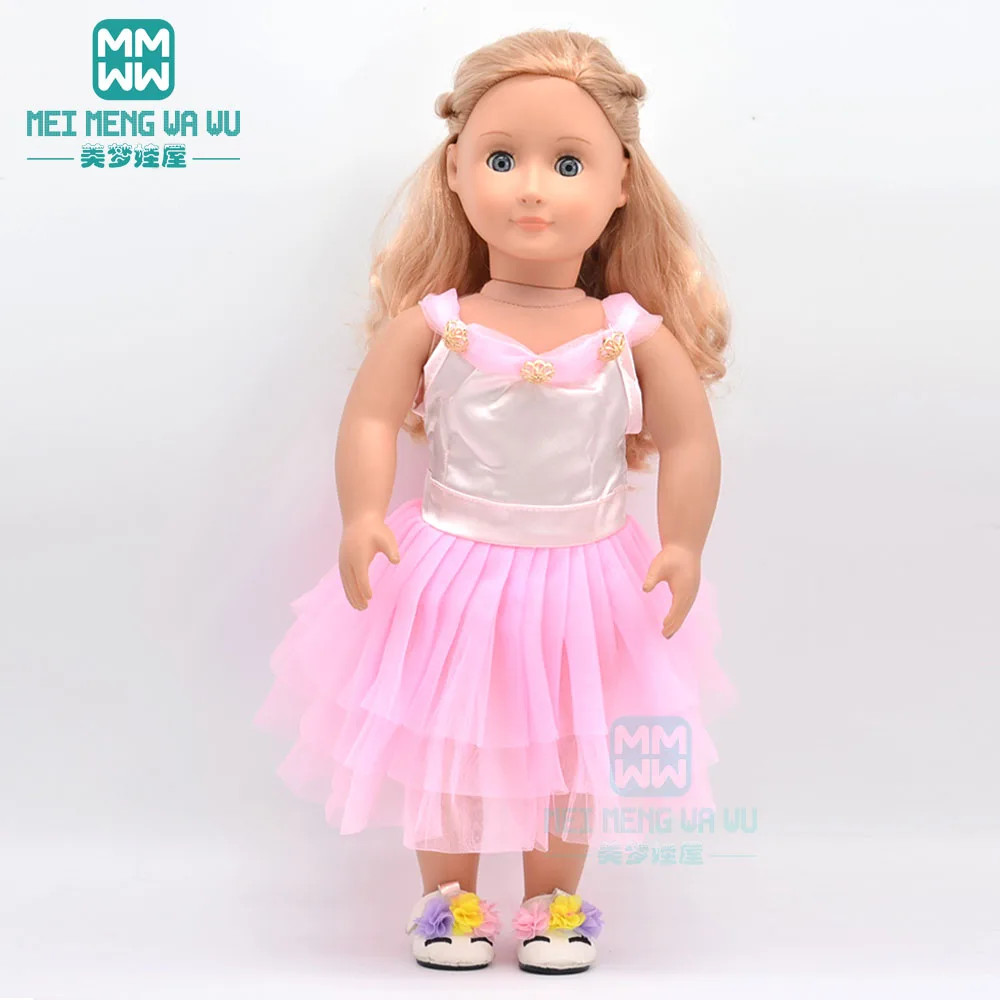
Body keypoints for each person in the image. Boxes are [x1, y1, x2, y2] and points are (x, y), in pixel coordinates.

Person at [254, 28, 737, 974]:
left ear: (623, 181)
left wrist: (683, 542)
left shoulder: (629, 333)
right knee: (453, 740)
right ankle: (449, 899)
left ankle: (556, 902)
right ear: (455, 170)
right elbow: (369, 419)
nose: (531, 189)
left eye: (568, 163)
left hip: (587, 577)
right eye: (502, 158)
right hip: (450, 570)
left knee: (571, 744)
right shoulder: (438, 325)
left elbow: (690, 441)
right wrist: (361, 515)